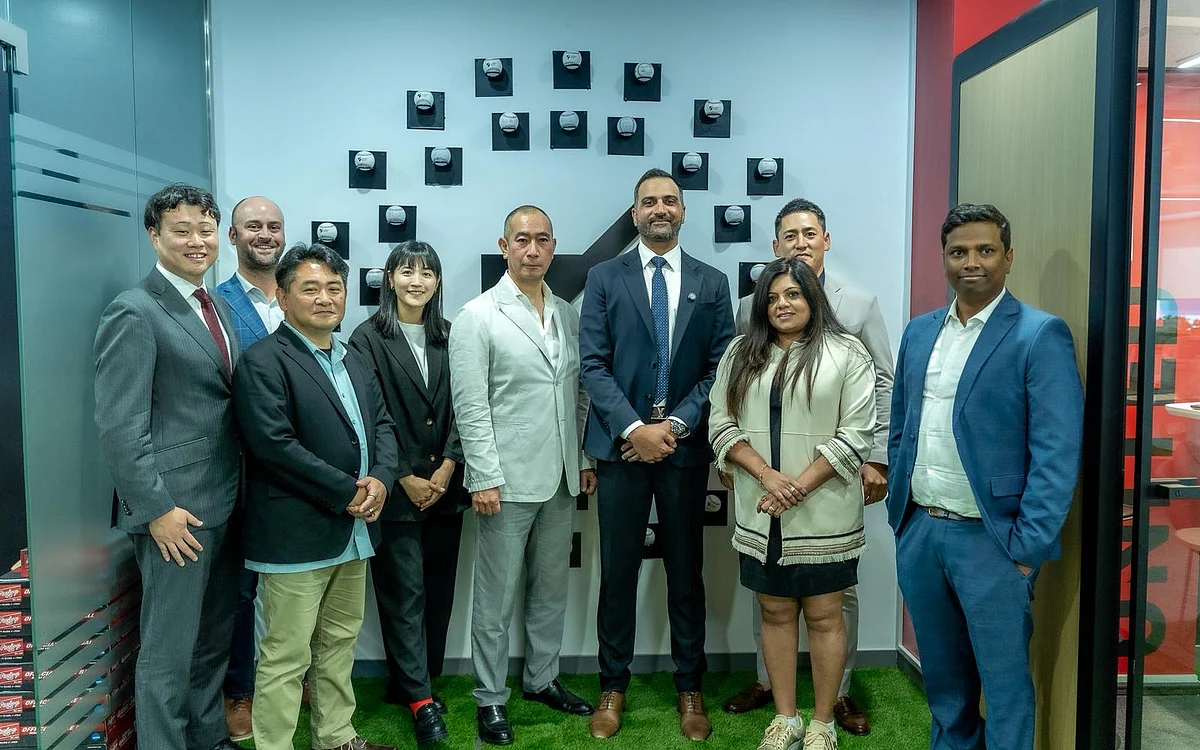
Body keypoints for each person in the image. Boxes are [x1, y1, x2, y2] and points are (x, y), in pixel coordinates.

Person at [887, 204, 1084, 750]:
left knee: (1004, 689)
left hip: (993, 542)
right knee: (945, 686)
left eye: (985, 250)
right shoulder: (920, 332)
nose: (971, 262)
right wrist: (900, 515)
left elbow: (1057, 451)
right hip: (922, 533)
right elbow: (902, 425)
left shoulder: (1038, 334)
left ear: (1008, 257)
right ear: (944, 258)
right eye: (959, 252)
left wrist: (1027, 547)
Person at [723, 199, 893, 736]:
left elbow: (871, 405)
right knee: (773, 610)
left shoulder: (851, 337)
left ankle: (828, 711)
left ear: (825, 240)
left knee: (828, 610)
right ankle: (783, 712)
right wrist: (764, 475)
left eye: (794, 294)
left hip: (827, 499)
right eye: (774, 296)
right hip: (762, 503)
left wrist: (871, 461)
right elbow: (723, 419)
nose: (783, 303)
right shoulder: (742, 345)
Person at [579, 168, 735, 741]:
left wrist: (674, 424)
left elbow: (721, 366)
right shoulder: (604, 277)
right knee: (617, 572)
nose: (660, 209)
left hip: (684, 449)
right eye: (649, 202)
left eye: (670, 200)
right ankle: (612, 685)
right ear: (635, 213)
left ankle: (689, 686)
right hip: (620, 451)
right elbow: (592, 364)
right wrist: (632, 428)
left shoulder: (712, 282)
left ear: (683, 211)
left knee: (685, 572)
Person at [233, 243, 400, 750]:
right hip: (295, 534)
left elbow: (383, 425)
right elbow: (274, 446)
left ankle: (336, 737)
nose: (325, 298)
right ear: (283, 297)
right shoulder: (263, 361)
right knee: (286, 655)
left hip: (353, 531)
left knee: (339, 643)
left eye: (334, 288)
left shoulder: (354, 358)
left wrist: (382, 479)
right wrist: (348, 491)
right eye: (310, 288)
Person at [93, 183, 242, 750]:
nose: (196, 241)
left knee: (211, 641)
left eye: (206, 229)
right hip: (174, 513)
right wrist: (157, 510)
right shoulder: (133, 310)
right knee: (168, 651)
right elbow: (120, 425)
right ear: (154, 236)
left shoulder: (216, 304)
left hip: (224, 499)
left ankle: (208, 738)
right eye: (182, 230)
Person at [449, 205, 596, 746]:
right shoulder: (477, 316)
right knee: (495, 596)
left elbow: (578, 396)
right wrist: (482, 475)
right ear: (504, 246)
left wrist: (582, 460)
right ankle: (490, 697)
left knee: (551, 590)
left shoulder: (567, 315)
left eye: (542, 240)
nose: (532, 250)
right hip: (504, 481)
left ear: (553, 247)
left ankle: (541, 679)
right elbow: (470, 406)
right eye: (522, 240)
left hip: (560, 476)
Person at [348, 241, 466, 746]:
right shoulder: (367, 338)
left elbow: (467, 404)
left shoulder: (451, 334)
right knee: (404, 595)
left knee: (439, 592)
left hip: (445, 488)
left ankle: (417, 683)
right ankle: (420, 700)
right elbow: (370, 412)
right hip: (395, 493)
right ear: (389, 279)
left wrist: (449, 465)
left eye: (427, 273)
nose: (417, 281)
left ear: (437, 282)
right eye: (406, 272)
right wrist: (400, 475)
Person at [214, 194, 286, 742]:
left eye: (274, 226)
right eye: (253, 226)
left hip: (300, 472)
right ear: (233, 236)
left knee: (298, 583)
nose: (265, 234)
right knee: (240, 591)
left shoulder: (304, 295)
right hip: (239, 470)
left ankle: (292, 677)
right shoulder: (215, 305)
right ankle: (238, 691)